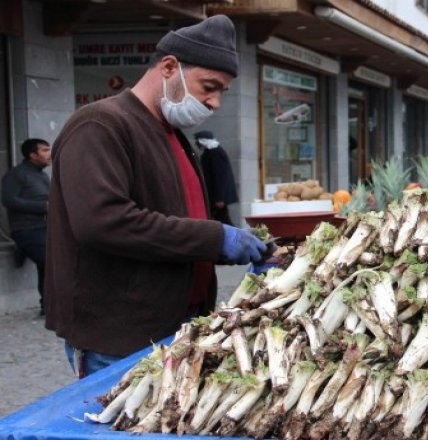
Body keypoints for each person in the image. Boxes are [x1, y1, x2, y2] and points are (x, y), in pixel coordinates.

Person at [44, 15, 267, 378]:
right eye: (209, 87)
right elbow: (103, 222)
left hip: (176, 326)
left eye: (221, 91)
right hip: (120, 336)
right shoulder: (99, 125)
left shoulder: (173, 134)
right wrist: (215, 238)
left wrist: (230, 245)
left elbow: (173, 221)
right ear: (169, 67)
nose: (214, 103)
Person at [2, 138, 51, 315]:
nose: (49, 154)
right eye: (45, 150)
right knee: (48, 261)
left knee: (49, 264)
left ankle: (49, 306)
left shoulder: (42, 175)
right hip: (26, 229)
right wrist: (42, 207)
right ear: (32, 155)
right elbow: (8, 200)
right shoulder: (17, 174)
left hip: (45, 228)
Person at [195, 130, 239, 226]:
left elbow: (220, 176)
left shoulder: (215, 152)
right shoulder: (210, 152)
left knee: (224, 221)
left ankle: (238, 238)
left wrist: (219, 198)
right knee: (222, 220)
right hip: (214, 196)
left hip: (217, 197)